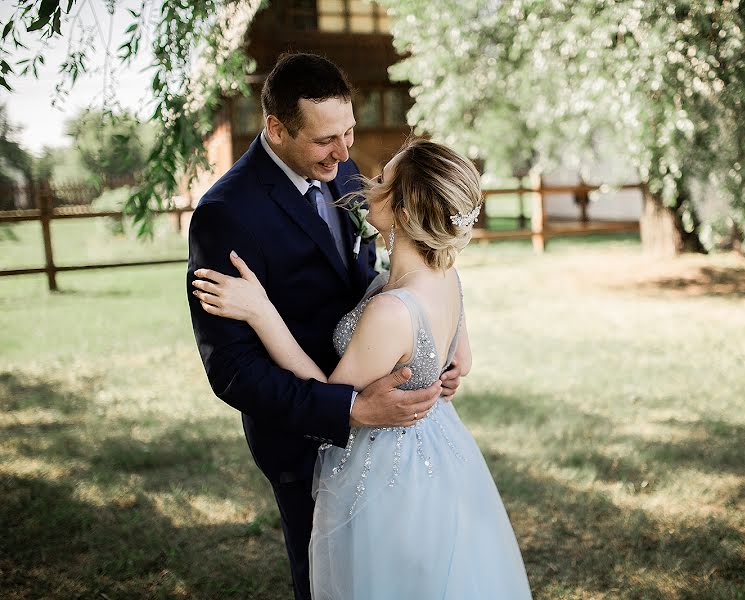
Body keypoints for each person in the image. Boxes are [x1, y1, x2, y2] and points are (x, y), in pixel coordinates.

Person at [191, 138, 532, 599]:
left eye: (385, 181)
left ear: (406, 213)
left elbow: (327, 392)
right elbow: (462, 361)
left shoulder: (393, 310)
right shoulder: (446, 274)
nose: (369, 184)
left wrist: (261, 312)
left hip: (385, 469)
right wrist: (436, 369)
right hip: (438, 449)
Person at [186, 53, 463, 600]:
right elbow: (232, 370)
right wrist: (350, 409)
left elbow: (372, 277)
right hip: (302, 436)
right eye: (324, 140)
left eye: (350, 132)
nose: (344, 152)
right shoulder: (226, 213)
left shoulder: (341, 173)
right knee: (326, 579)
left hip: (389, 435)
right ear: (276, 128)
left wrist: (433, 350)